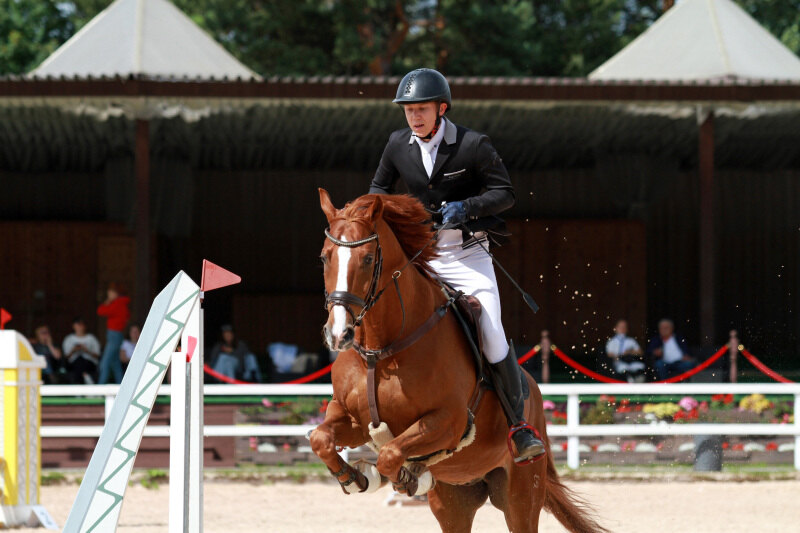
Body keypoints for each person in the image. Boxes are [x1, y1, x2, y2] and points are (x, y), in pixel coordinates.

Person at [368, 68, 543, 463]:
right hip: (422, 257)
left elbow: (505, 193)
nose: (414, 117)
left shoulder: (473, 144)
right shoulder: (397, 145)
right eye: (409, 110)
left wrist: (468, 207)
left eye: (421, 109)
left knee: (492, 332)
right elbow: (378, 190)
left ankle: (519, 426)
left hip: (467, 255)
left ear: (441, 109)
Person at [96, 283, 131, 384]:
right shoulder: (122, 303)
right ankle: (121, 386)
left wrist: (108, 301)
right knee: (115, 364)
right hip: (117, 335)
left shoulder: (118, 303)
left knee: (105, 363)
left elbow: (100, 311)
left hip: (114, 335)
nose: (109, 295)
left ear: (116, 293)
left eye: (110, 293)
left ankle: (100, 388)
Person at [62, 317, 101, 384]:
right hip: (73, 363)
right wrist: (73, 350)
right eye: (77, 324)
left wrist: (87, 350)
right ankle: (86, 377)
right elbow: (66, 356)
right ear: (73, 326)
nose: (79, 327)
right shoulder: (69, 339)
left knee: (82, 362)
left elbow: (98, 355)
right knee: (78, 361)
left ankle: (79, 383)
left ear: (85, 326)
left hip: (89, 363)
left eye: (81, 324)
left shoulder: (91, 338)